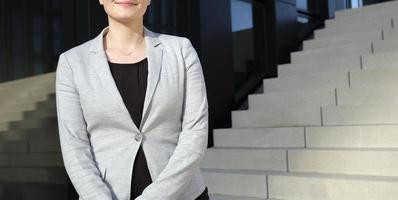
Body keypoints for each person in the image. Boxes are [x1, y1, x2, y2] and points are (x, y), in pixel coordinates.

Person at [55, 0, 210, 199]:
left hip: (182, 194)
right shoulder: (72, 62)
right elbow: (74, 145)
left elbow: (195, 133)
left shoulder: (181, 50)